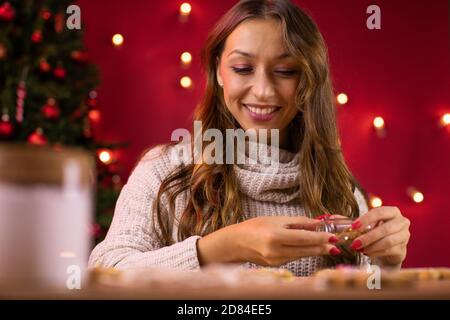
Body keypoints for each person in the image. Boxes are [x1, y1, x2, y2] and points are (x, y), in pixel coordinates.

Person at [89, 0, 410, 276]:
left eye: (285, 72)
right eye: (243, 68)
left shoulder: (340, 190)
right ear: (218, 71)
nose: (263, 91)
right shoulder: (165, 172)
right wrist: (222, 247)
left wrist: (384, 265)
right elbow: (106, 275)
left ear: (308, 80)